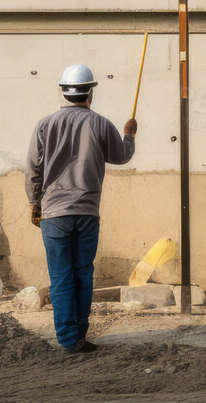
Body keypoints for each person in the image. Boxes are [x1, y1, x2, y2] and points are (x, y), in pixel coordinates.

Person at [25, 63, 137, 353]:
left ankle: (67, 339)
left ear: (63, 91)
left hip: (53, 213)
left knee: (61, 277)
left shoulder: (44, 124)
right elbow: (121, 156)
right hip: (87, 212)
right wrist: (129, 134)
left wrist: (34, 203)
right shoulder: (100, 123)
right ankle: (80, 336)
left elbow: (34, 170)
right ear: (91, 92)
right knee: (82, 274)